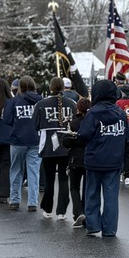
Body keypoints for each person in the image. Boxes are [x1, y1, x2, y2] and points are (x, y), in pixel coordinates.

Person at [78, 79, 129, 238]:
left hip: (94, 159)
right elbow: (126, 136)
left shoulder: (93, 113)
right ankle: (110, 228)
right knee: (111, 196)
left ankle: (93, 225)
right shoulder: (120, 112)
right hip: (114, 160)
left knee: (92, 193)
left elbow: (84, 135)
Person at [34, 77, 77, 220]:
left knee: (49, 179)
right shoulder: (72, 104)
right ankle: (62, 211)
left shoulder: (40, 104)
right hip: (66, 146)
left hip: (48, 147)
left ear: (50, 88)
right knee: (64, 179)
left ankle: (47, 209)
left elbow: (35, 125)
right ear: (64, 88)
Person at [4, 76, 43, 210]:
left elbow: (7, 120)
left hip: (18, 140)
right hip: (35, 139)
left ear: (20, 87)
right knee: (33, 172)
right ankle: (32, 202)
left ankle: (15, 200)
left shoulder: (13, 101)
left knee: (16, 170)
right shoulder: (40, 101)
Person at [68, 97, 91, 229]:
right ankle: (86, 213)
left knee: (74, 187)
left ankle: (78, 213)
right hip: (89, 159)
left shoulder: (74, 123)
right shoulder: (92, 122)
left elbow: (67, 143)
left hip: (75, 159)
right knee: (87, 188)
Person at [116, 76, 129, 186]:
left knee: (120, 153)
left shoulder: (117, 103)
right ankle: (128, 176)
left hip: (120, 132)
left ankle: (119, 173)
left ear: (122, 93)